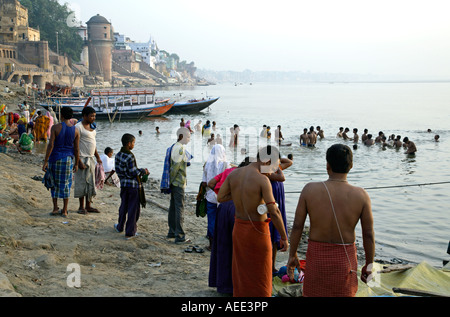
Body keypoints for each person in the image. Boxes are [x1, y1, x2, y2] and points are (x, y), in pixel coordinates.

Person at [287, 144, 375, 297]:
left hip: (317, 259)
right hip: (344, 261)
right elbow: (368, 234)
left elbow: (297, 226)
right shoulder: (361, 195)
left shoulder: (309, 189)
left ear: (327, 165)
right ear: (351, 166)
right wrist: (369, 264)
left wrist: (292, 254)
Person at [217, 146, 288, 297]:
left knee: (242, 270)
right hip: (258, 232)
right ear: (267, 161)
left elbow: (221, 198)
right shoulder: (262, 180)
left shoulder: (234, 173)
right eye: (274, 166)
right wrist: (284, 236)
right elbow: (274, 212)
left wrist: (240, 196)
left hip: (239, 229)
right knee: (261, 272)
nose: (272, 171)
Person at [208, 157, 251, 295]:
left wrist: (220, 194)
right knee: (237, 247)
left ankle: (222, 283)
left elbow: (212, 184)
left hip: (223, 207)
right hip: (236, 208)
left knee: (222, 244)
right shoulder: (248, 175)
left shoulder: (230, 171)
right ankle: (234, 285)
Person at [42, 107, 80, 218]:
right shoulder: (76, 130)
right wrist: (76, 163)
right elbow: (76, 149)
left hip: (55, 158)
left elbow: (51, 145)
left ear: (61, 115)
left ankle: (55, 208)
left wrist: (45, 161)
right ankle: (65, 210)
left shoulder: (55, 128)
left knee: (53, 182)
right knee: (66, 184)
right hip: (68, 160)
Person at [114, 134, 149, 239]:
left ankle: (120, 226)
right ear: (129, 144)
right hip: (133, 186)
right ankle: (130, 232)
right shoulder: (130, 156)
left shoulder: (118, 155)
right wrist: (143, 171)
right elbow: (133, 172)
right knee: (133, 209)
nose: (134, 145)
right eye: (133, 143)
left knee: (123, 206)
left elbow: (118, 170)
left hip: (124, 184)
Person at [166, 127, 192, 244]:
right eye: (188, 137)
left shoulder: (174, 147)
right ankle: (180, 235)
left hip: (174, 182)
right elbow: (175, 168)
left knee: (173, 207)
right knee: (179, 208)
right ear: (181, 136)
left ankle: (172, 231)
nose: (189, 140)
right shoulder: (179, 149)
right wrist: (170, 181)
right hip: (178, 182)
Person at [202, 144, 230, 250]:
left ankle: (212, 244)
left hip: (210, 196)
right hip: (223, 197)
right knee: (222, 220)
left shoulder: (207, 164)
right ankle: (221, 243)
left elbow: (204, 182)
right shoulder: (226, 164)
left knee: (211, 220)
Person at [74, 107, 102, 215]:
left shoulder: (93, 128)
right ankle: (81, 207)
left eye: (94, 116)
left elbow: (93, 143)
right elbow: (74, 145)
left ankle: (88, 206)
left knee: (90, 183)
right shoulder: (78, 127)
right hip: (81, 158)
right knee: (82, 183)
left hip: (91, 158)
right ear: (84, 116)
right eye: (91, 116)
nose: (93, 118)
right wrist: (78, 162)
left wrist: (98, 157)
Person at [267, 157, 293, 274]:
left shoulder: (276, 168)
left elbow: (289, 162)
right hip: (272, 205)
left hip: (279, 204)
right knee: (271, 235)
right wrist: (277, 164)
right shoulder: (267, 170)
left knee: (275, 238)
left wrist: (277, 159)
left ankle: (272, 266)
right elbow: (282, 178)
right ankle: (269, 266)